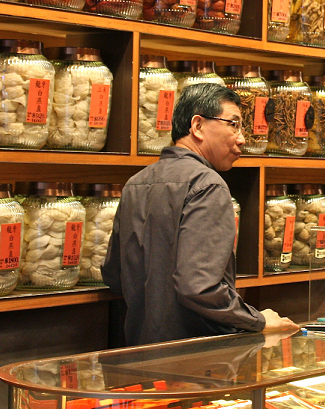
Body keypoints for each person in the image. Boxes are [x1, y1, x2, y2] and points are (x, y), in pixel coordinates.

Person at [103, 83, 298, 346]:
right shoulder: (208, 185)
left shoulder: (136, 183)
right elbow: (199, 287)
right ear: (197, 126)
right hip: (196, 355)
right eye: (234, 124)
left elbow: (114, 275)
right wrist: (258, 321)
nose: (241, 138)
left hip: (139, 349)